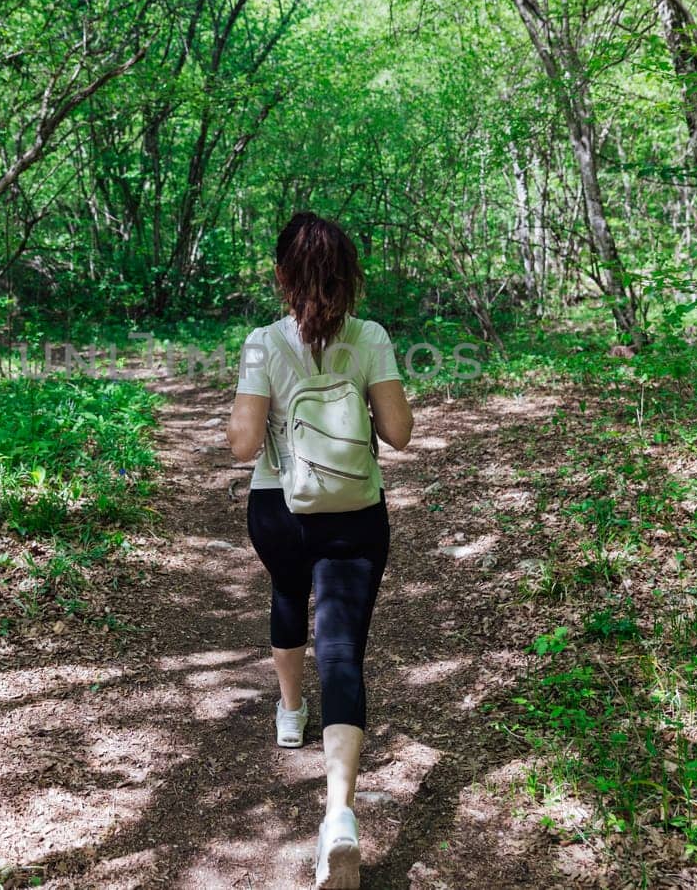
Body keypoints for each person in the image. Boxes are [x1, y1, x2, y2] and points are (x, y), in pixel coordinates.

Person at [226, 211, 413, 890]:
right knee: (341, 649)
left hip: (279, 509)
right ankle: (338, 816)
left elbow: (244, 445)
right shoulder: (371, 338)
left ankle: (287, 710)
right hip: (356, 514)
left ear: (281, 277)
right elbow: (399, 432)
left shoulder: (261, 342)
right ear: (349, 279)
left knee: (285, 592)